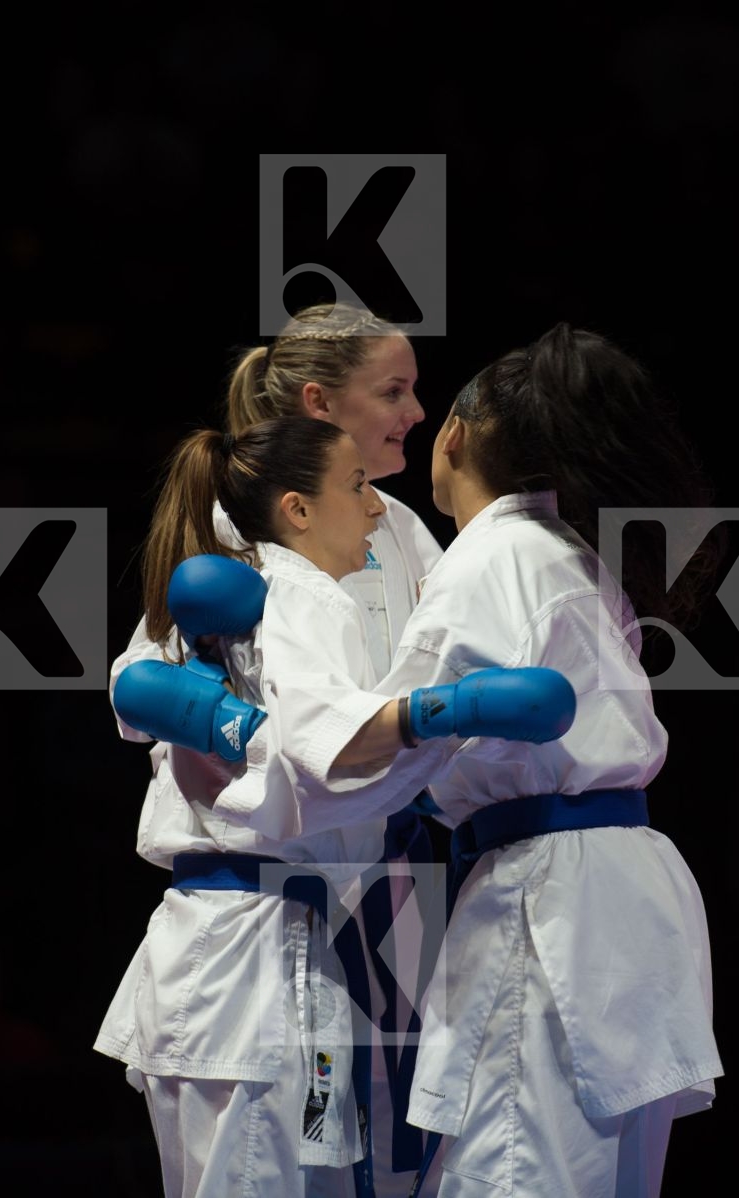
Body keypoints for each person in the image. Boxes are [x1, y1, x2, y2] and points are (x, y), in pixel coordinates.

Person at [195, 324, 727, 1196]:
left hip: (543, 901)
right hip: (614, 901)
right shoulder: (561, 552)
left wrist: (241, 741)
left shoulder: (486, 555)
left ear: (457, 435)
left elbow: (361, 759)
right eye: (392, 391)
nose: (410, 415)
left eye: (420, 398)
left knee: (506, 1175)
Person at [105, 304, 448, 1195]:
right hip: (265, 908)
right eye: (393, 391)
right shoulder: (241, 529)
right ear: (318, 403)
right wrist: (242, 726)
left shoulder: (404, 530)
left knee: (370, 1170)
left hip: (380, 898)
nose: (415, 412)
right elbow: (139, 685)